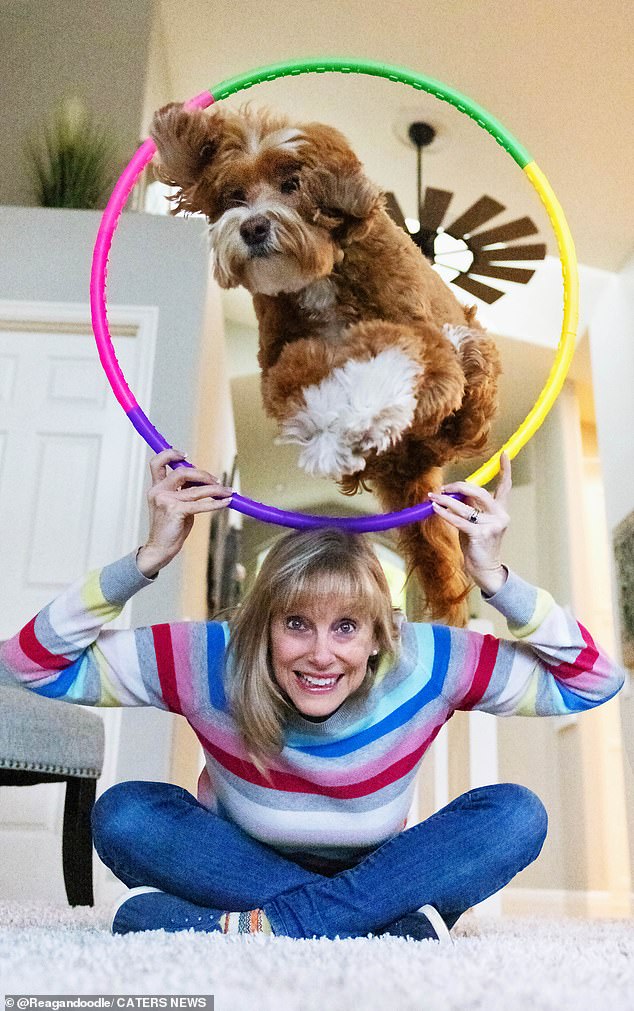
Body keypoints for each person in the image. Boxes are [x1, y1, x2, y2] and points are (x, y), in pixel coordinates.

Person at [0, 450, 624, 943]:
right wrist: (147, 558)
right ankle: (376, 928)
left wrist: (495, 578)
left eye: (346, 627)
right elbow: (27, 665)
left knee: (516, 814)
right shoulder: (211, 655)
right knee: (125, 813)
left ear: (381, 635)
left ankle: (276, 926)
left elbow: (597, 682)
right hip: (242, 862)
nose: (321, 655)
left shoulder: (427, 660)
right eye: (296, 623)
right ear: (263, 623)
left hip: (382, 865)